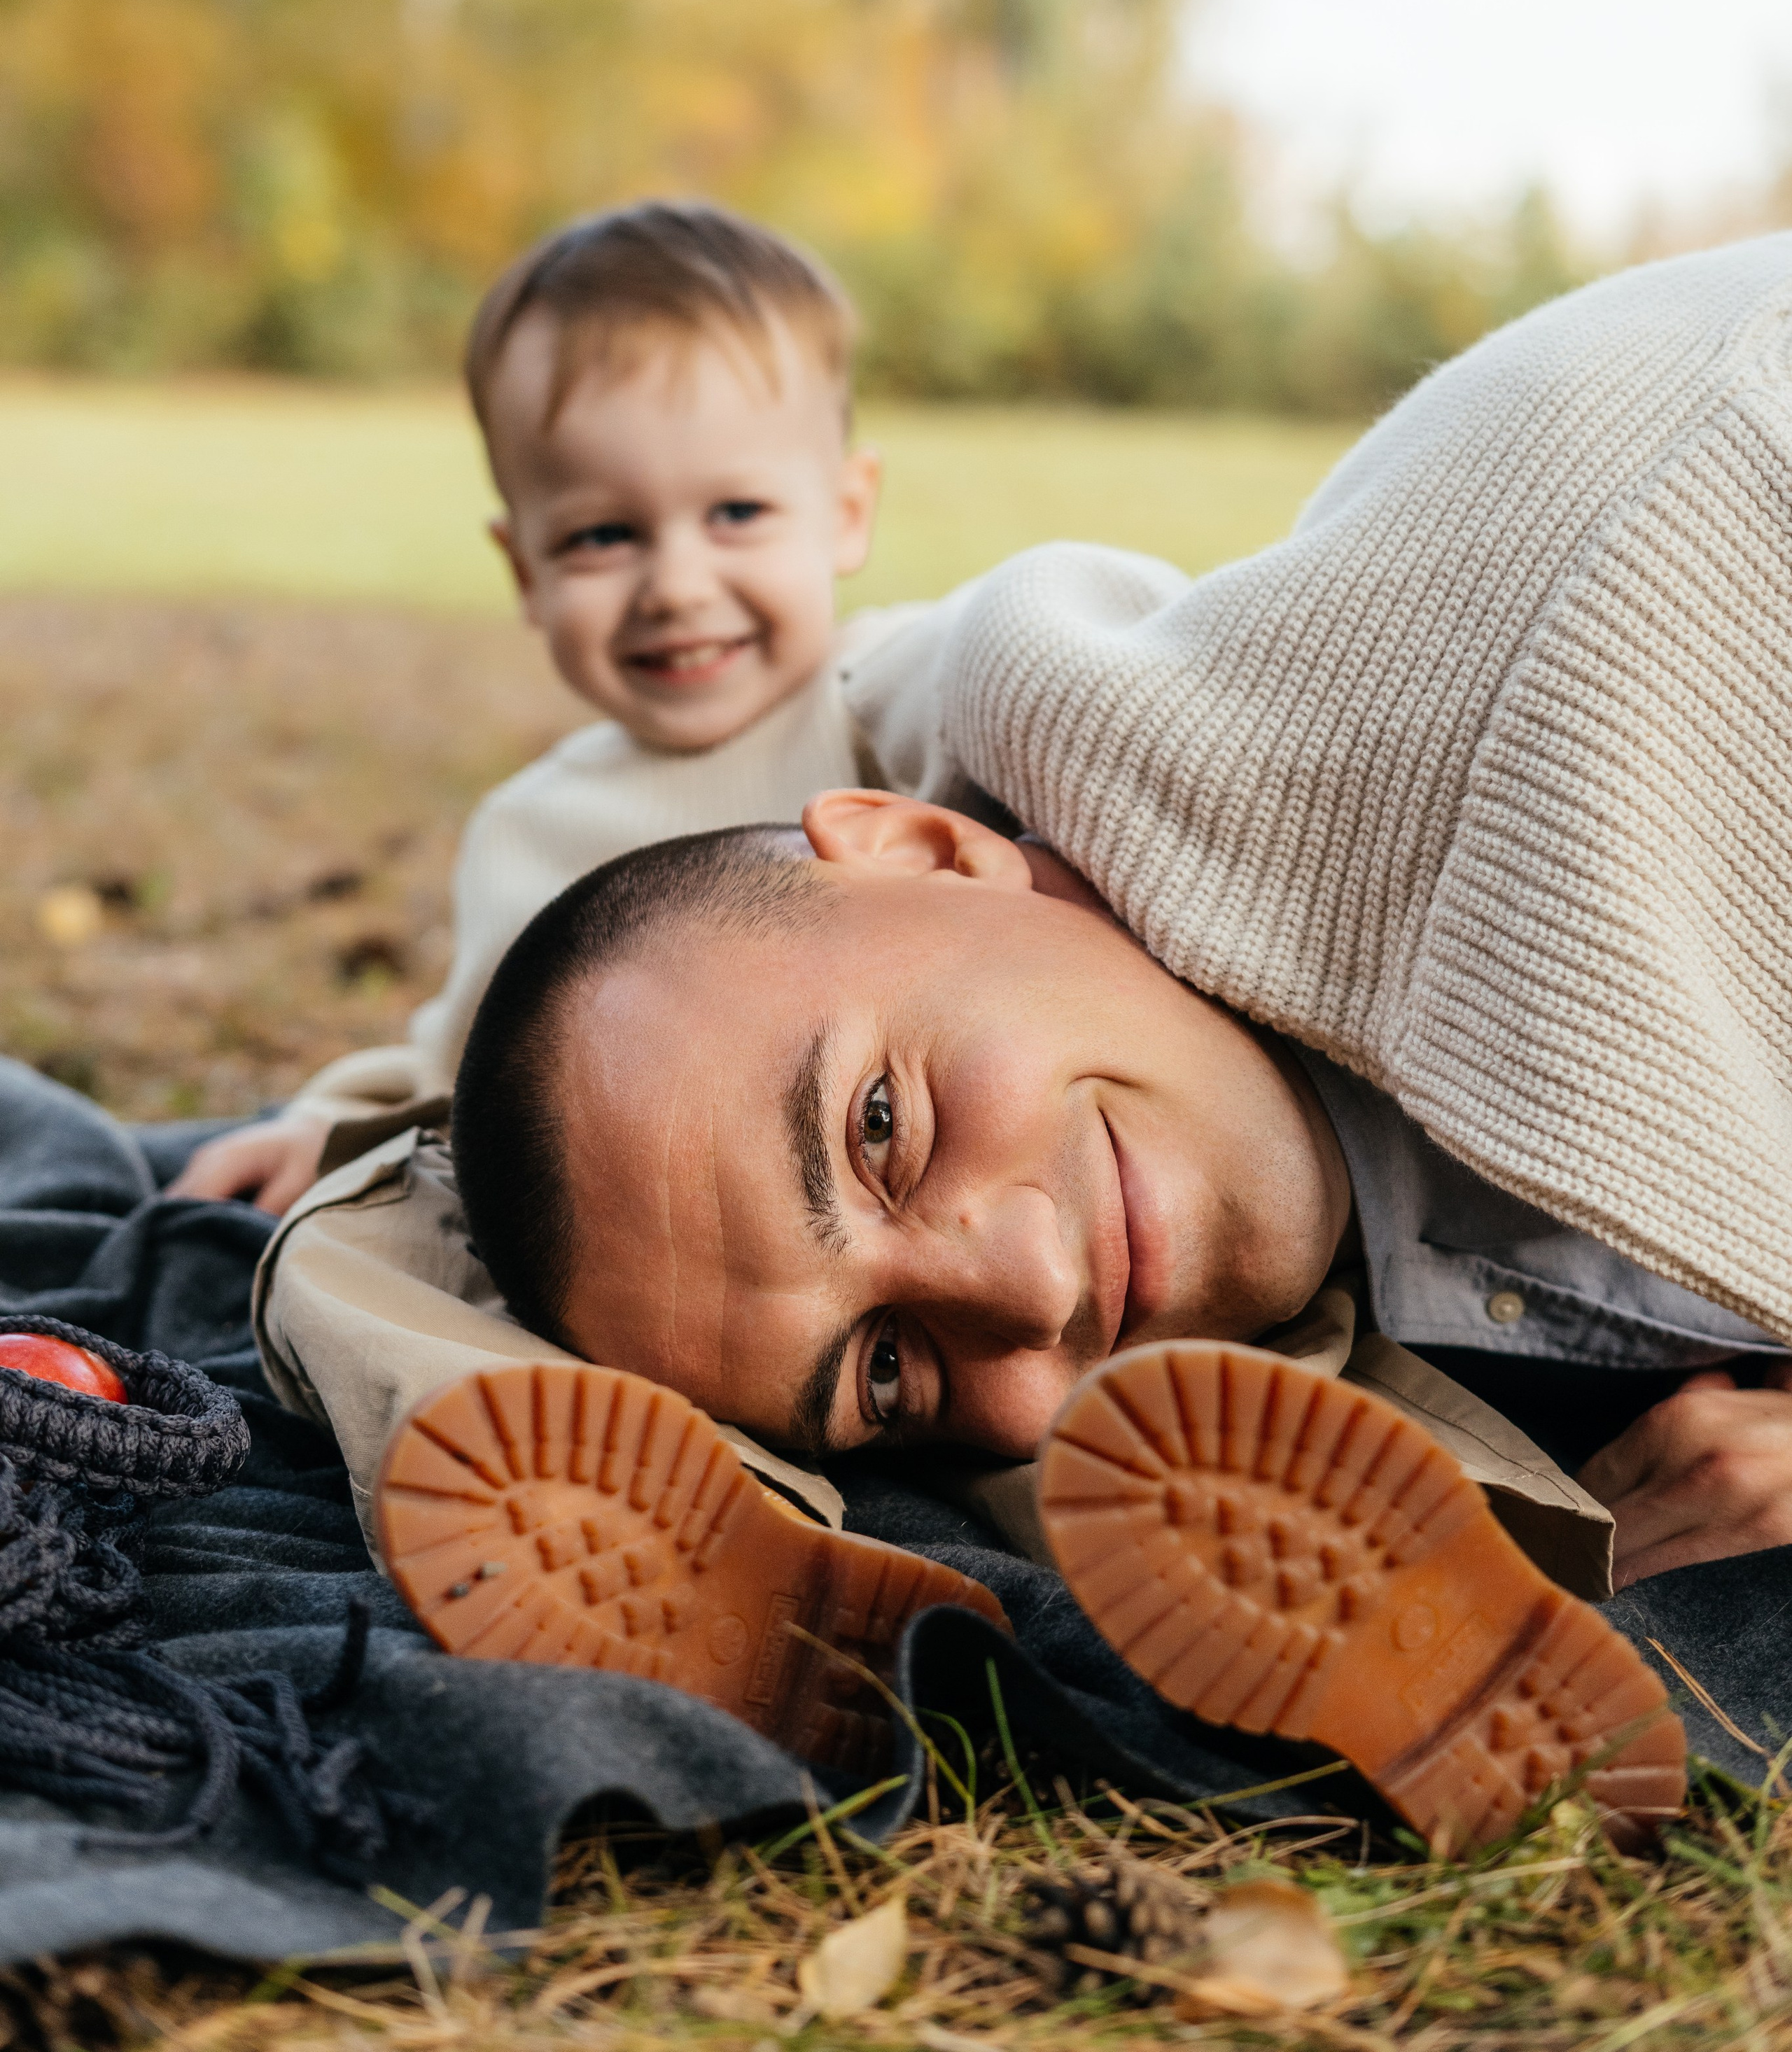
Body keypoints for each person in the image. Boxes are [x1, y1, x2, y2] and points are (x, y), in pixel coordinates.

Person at [379, 230, 1791, 1850]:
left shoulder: (1651, 623)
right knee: (420, 1224)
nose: (1027, 1293)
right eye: (886, 1367)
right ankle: (872, 1581)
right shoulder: (1093, 1089)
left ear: (934, 846)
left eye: (880, 1130)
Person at [221, 198, 939, 1536]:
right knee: (349, 1254)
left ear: (846, 512)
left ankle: (1123, 1505)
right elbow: (461, 1084)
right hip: (633, 1288)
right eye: (603, 536)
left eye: (735, 513)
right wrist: (337, 1122)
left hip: (886, 1276)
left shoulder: (884, 714)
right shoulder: (533, 829)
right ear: (522, 563)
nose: (674, 583)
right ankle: (583, 1511)